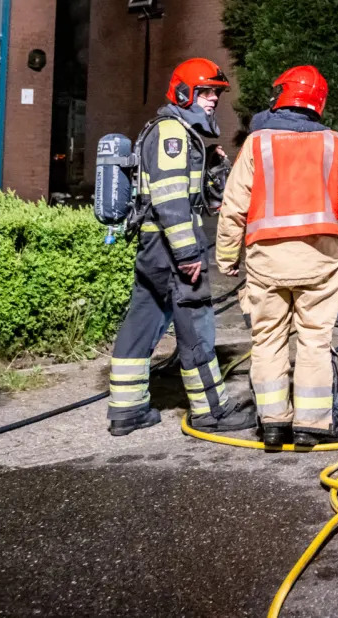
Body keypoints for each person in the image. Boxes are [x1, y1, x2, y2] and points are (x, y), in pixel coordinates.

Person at [216, 65, 338, 447]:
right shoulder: (334, 143)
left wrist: (226, 256)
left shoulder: (258, 143)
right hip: (320, 260)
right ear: (317, 102)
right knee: (315, 340)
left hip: (266, 260)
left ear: (282, 96)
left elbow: (234, 205)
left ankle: (272, 423)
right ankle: (312, 425)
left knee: (267, 339)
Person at [106, 58, 254, 437]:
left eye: (216, 93)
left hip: (153, 247)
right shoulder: (173, 134)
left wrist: (211, 175)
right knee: (195, 323)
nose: (212, 100)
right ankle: (211, 411)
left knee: (143, 319)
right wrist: (188, 254)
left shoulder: (177, 133)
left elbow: (184, 193)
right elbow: (171, 201)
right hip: (173, 249)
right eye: (205, 92)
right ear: (185, 93)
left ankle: (127, 409)